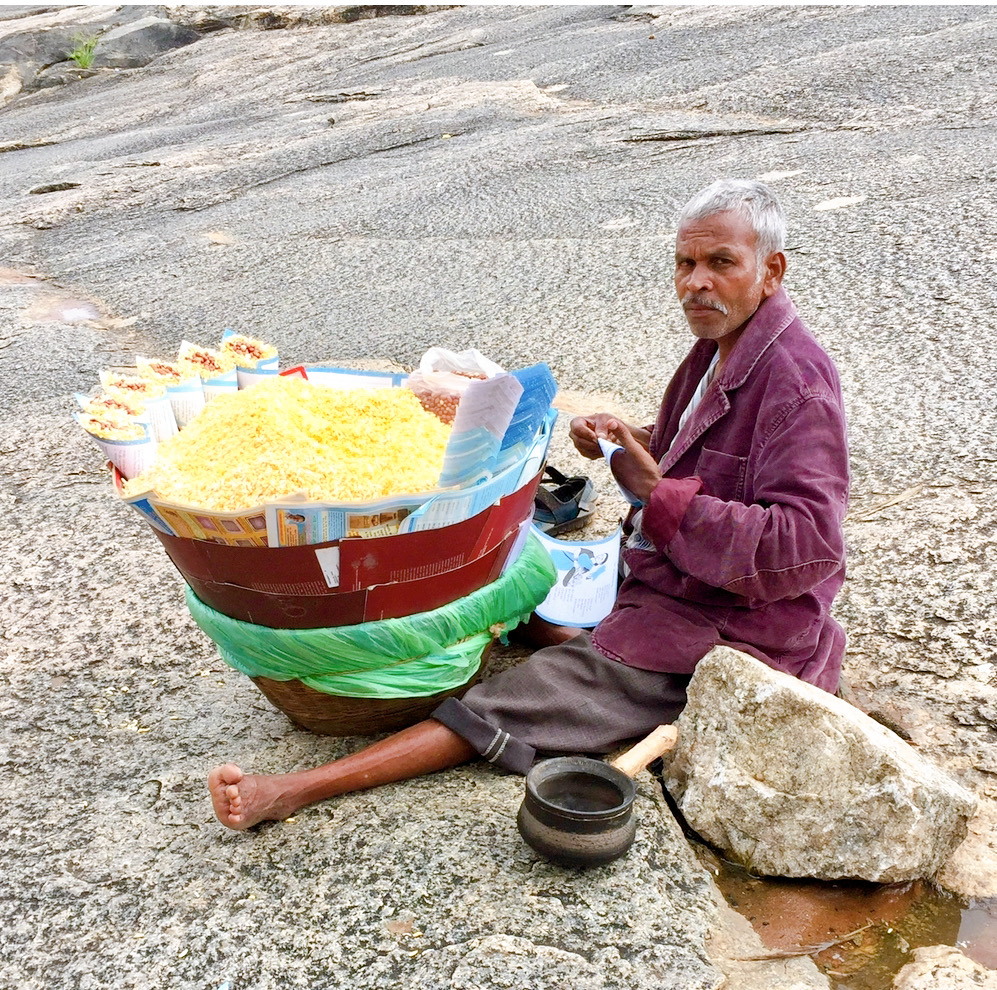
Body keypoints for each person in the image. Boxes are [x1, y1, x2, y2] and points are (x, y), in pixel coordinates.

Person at [209, 179, 849, 830]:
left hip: (731, 630)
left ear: (771, 270)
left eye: (719, 263)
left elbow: (804, 548)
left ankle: (293, 790)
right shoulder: (721, 349)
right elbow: (700, 453)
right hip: (664, 581)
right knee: (509, 568)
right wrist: (631, 440)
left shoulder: (796, 385)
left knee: (508, 702)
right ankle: (575, 640)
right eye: (684, 264)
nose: (694, 283)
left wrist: (655, 495)